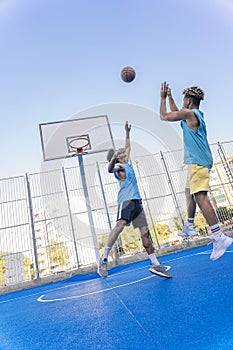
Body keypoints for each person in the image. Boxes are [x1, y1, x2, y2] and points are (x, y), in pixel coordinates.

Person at [159, 82, 233, 260]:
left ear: (189, 102)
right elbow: (177, 111)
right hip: (196, 162)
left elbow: (165, 116)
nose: (182, 104)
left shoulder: (190, 114)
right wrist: (170, 97)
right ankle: (190, 225)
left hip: (199, 162)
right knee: (189, 192)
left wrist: (162, 99)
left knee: (200, 197)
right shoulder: (191, 115)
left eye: (184, 101)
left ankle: (219, 237)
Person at [97, 121, 172, 278]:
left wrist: (127, 133)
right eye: (120, 154)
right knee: (120, 225)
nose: (124, 152)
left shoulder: (127, 163)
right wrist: (114, 158)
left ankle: (155, 264)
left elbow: (128, 147)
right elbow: (110, 169)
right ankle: (103, 258)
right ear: (117, 158)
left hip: (137, 203)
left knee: (145, 234)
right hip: (126, 202)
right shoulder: (120, 167)